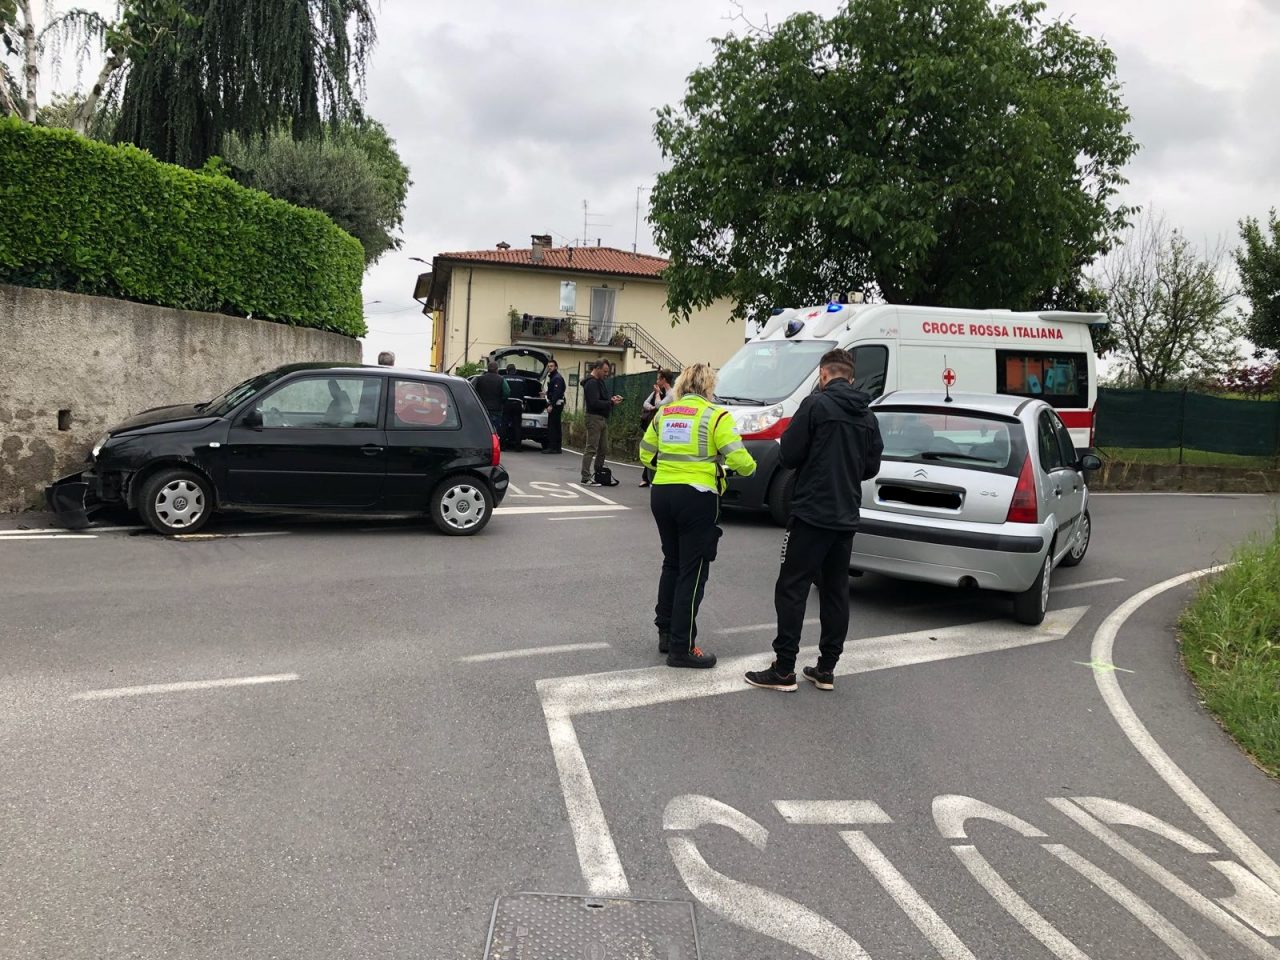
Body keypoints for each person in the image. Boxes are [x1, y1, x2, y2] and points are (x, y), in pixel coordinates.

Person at [745, 348, 883, 692]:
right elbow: (871, 467)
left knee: (792, 587)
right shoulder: (867, 416)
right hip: (846, 515)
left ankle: (784, 668)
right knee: (835, 591)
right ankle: (826, 668)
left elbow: (788, 455)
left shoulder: (815, 405)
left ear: (824, 376)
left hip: (811, 513)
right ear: (851, 378)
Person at [641, 363, 756, 668]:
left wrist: (668, 470)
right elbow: (742, 461)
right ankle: (682, 647)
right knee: (693, 572)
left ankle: (666, 632)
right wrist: (740, 468)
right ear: (708, 386)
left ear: (680, 385)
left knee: (672, 562)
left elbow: (644, 453)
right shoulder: (715, 415)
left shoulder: (665, 413)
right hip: (697, 496)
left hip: (662, 493)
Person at [581, 360, 622, 484]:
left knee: (603, 448)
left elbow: (602, 400)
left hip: (603, 418)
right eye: (604, 371)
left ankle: (598, 473)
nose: (606, 374)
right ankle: (585, 477)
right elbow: (594, 403)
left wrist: (611, 400)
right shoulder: (591, 383)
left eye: (607, 372)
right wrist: (610, 403)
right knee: (591, 448)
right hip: (594, 418)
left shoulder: (600, 382)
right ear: (597, 368)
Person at [639, 370, 675, 487]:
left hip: (666, 426)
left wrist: (658, 394)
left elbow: (659, 405)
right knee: (653, 451)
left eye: (659, 379)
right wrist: (652, 406)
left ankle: (654, 480)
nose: (657, 381)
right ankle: (648, 478)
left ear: (664, 380)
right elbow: (646, 403)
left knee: (656, 452)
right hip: (657, 423)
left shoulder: (671, 394)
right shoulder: (660, 391)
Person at [474, 361, 509, 436]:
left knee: (482, 429)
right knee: (494, 431)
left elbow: (473, 392)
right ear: (497, 369)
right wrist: (502, 401)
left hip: (482, 409)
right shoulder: (501, 380)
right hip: (496, 410)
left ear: (487, 369)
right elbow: (507, 392)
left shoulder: (480, 379)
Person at [542, 359, 566, 454]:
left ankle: (552, 447)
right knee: (556, 425)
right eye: (548, 366)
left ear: (556, 367)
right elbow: (553, 391)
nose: (549, 368)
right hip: (556, 404)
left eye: (551, 366)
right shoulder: (554, 377)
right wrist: (546, 393)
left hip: (556, 405)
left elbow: (556, 393)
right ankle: (557, 447)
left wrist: (551, 405)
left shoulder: (557, 378)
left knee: (552, 426)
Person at [502, 363, 526, 450]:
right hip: (518, 404)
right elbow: (524, 392)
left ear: (507, 371)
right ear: (515, 370)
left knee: (504, 424)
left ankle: (502, 445)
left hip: (507, 403)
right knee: (517, 426)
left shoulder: (503, 378)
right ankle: (518, 446)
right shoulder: (522, 379)